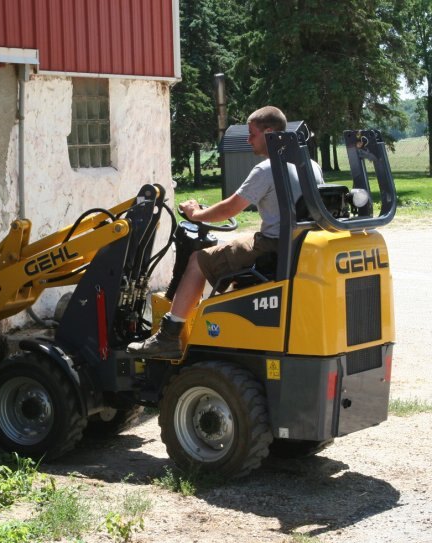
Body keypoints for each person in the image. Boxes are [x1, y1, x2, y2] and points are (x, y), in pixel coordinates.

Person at [127, 106, 324, 358]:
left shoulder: (267, 168)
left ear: (269, 132)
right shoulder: (310, 165)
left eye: (252, 134)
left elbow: (230, 209)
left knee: (198, 261)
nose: (248, 140)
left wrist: (195, 214)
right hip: (298, 244)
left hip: (272, 246)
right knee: (235, 245)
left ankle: (169, 336)